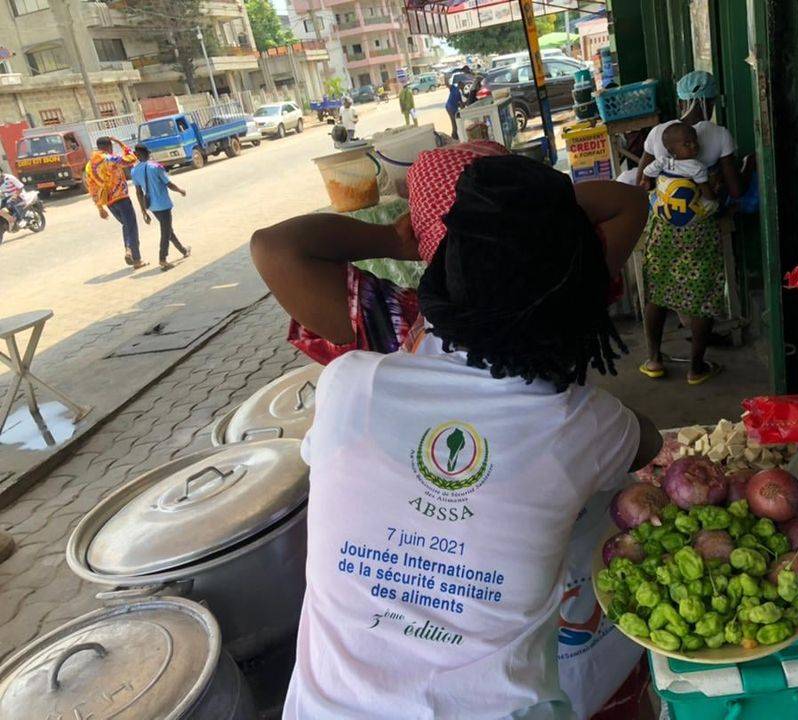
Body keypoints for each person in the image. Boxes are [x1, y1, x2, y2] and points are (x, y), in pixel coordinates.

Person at [251, 151, 656, 720]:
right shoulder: (574, 364)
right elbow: (628, 202)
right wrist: (527, 213)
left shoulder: (354, 378)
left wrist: (423, 232)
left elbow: (275, 248)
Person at [624, 70, 751, 385]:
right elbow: (735, 192)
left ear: (682, 99)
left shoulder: (659, 134)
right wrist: (749, 167)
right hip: (700, 231)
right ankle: (697, 367)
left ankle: (654, 359)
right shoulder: (719, 135)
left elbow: (642, 182)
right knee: (701, 295)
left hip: (663, 227)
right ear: (711, 100)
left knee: (656, 290)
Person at [85, 136, 146, 269]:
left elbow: (91, 187)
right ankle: (135, 257)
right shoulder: (109, 158)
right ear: (109, 147)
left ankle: (129, 249)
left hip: (108, 201)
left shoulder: (90, 165)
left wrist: (99, 207)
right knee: (131, 227)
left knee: (126, 225)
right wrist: (121, 143)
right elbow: (131, 159)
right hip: (121, 198)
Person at [131, 144, 191, 272]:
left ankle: (183, 250)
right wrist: (180, 190)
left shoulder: (134, 171)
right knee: (166, 231)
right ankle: (162, 258)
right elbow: (169, 184)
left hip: (151, 206)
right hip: (163, 204)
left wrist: (143, 211)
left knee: (168, 229)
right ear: (148, 153)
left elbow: (138, 192)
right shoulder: (156, 167)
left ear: (137, 155)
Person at [641, 122, 716, 208]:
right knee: (712, 203)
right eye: (687, 144)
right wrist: (714, 197)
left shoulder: (663, 162)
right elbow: (707, 194)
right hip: (685, 212)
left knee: (653, 194)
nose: (694, 145)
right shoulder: (697, 168)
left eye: (695, 141)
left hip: (663, 206)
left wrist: (645, 179)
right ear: (671, 151)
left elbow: (648, 170)